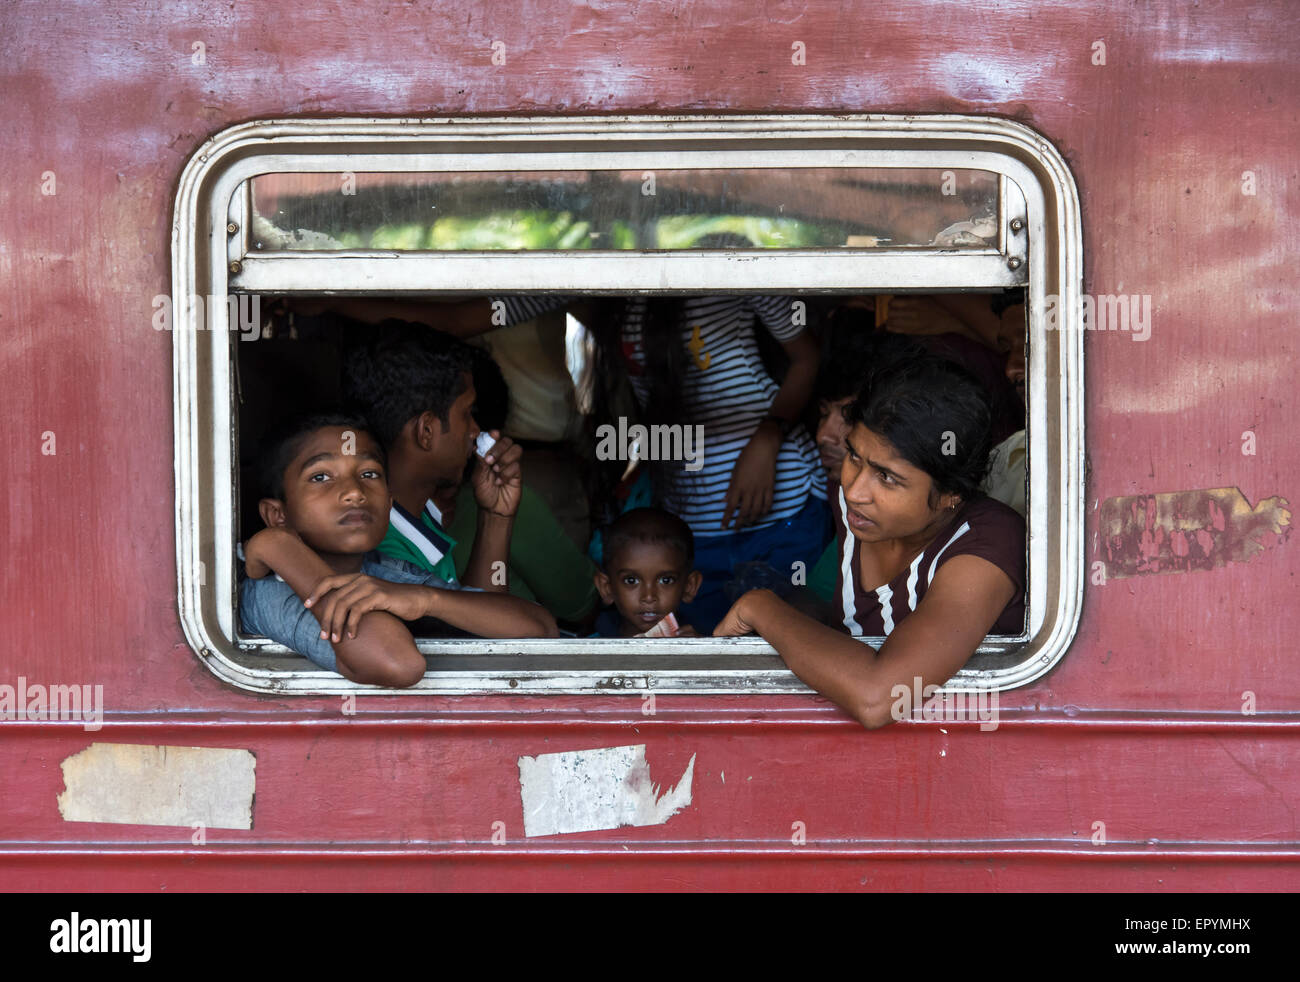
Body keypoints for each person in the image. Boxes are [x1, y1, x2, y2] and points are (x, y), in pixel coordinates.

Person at [713, 352, 1026, 728]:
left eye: (887, 477)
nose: (855, 489)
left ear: (949, 496)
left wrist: (762, 608)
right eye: (854, 456)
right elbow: (840, 617)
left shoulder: (986, 545)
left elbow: (881, 699)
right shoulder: (861, 513)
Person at [239, 414, 558, 686]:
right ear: (277, 515)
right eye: (321, 476)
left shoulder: (385, 572)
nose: (354, 492)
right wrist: (279, 545)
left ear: (389, 504)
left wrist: (424, 599)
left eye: (369, 474)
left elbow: (539, 630)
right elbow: (398, 663)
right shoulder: (269, 592)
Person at [339, 321, 522, 591]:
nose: (475, 430)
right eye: (466, 413)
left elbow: (477, 615)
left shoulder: (418, 514)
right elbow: (483, 633)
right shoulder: (383, 554)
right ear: (426, 431)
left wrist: (496, 515)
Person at [591, 508, 702, 638]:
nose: (649, 597)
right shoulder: (587, 651)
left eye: (666, 580)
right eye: (631, 580)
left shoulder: (704, 647)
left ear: (690, 586)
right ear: (606, 588)